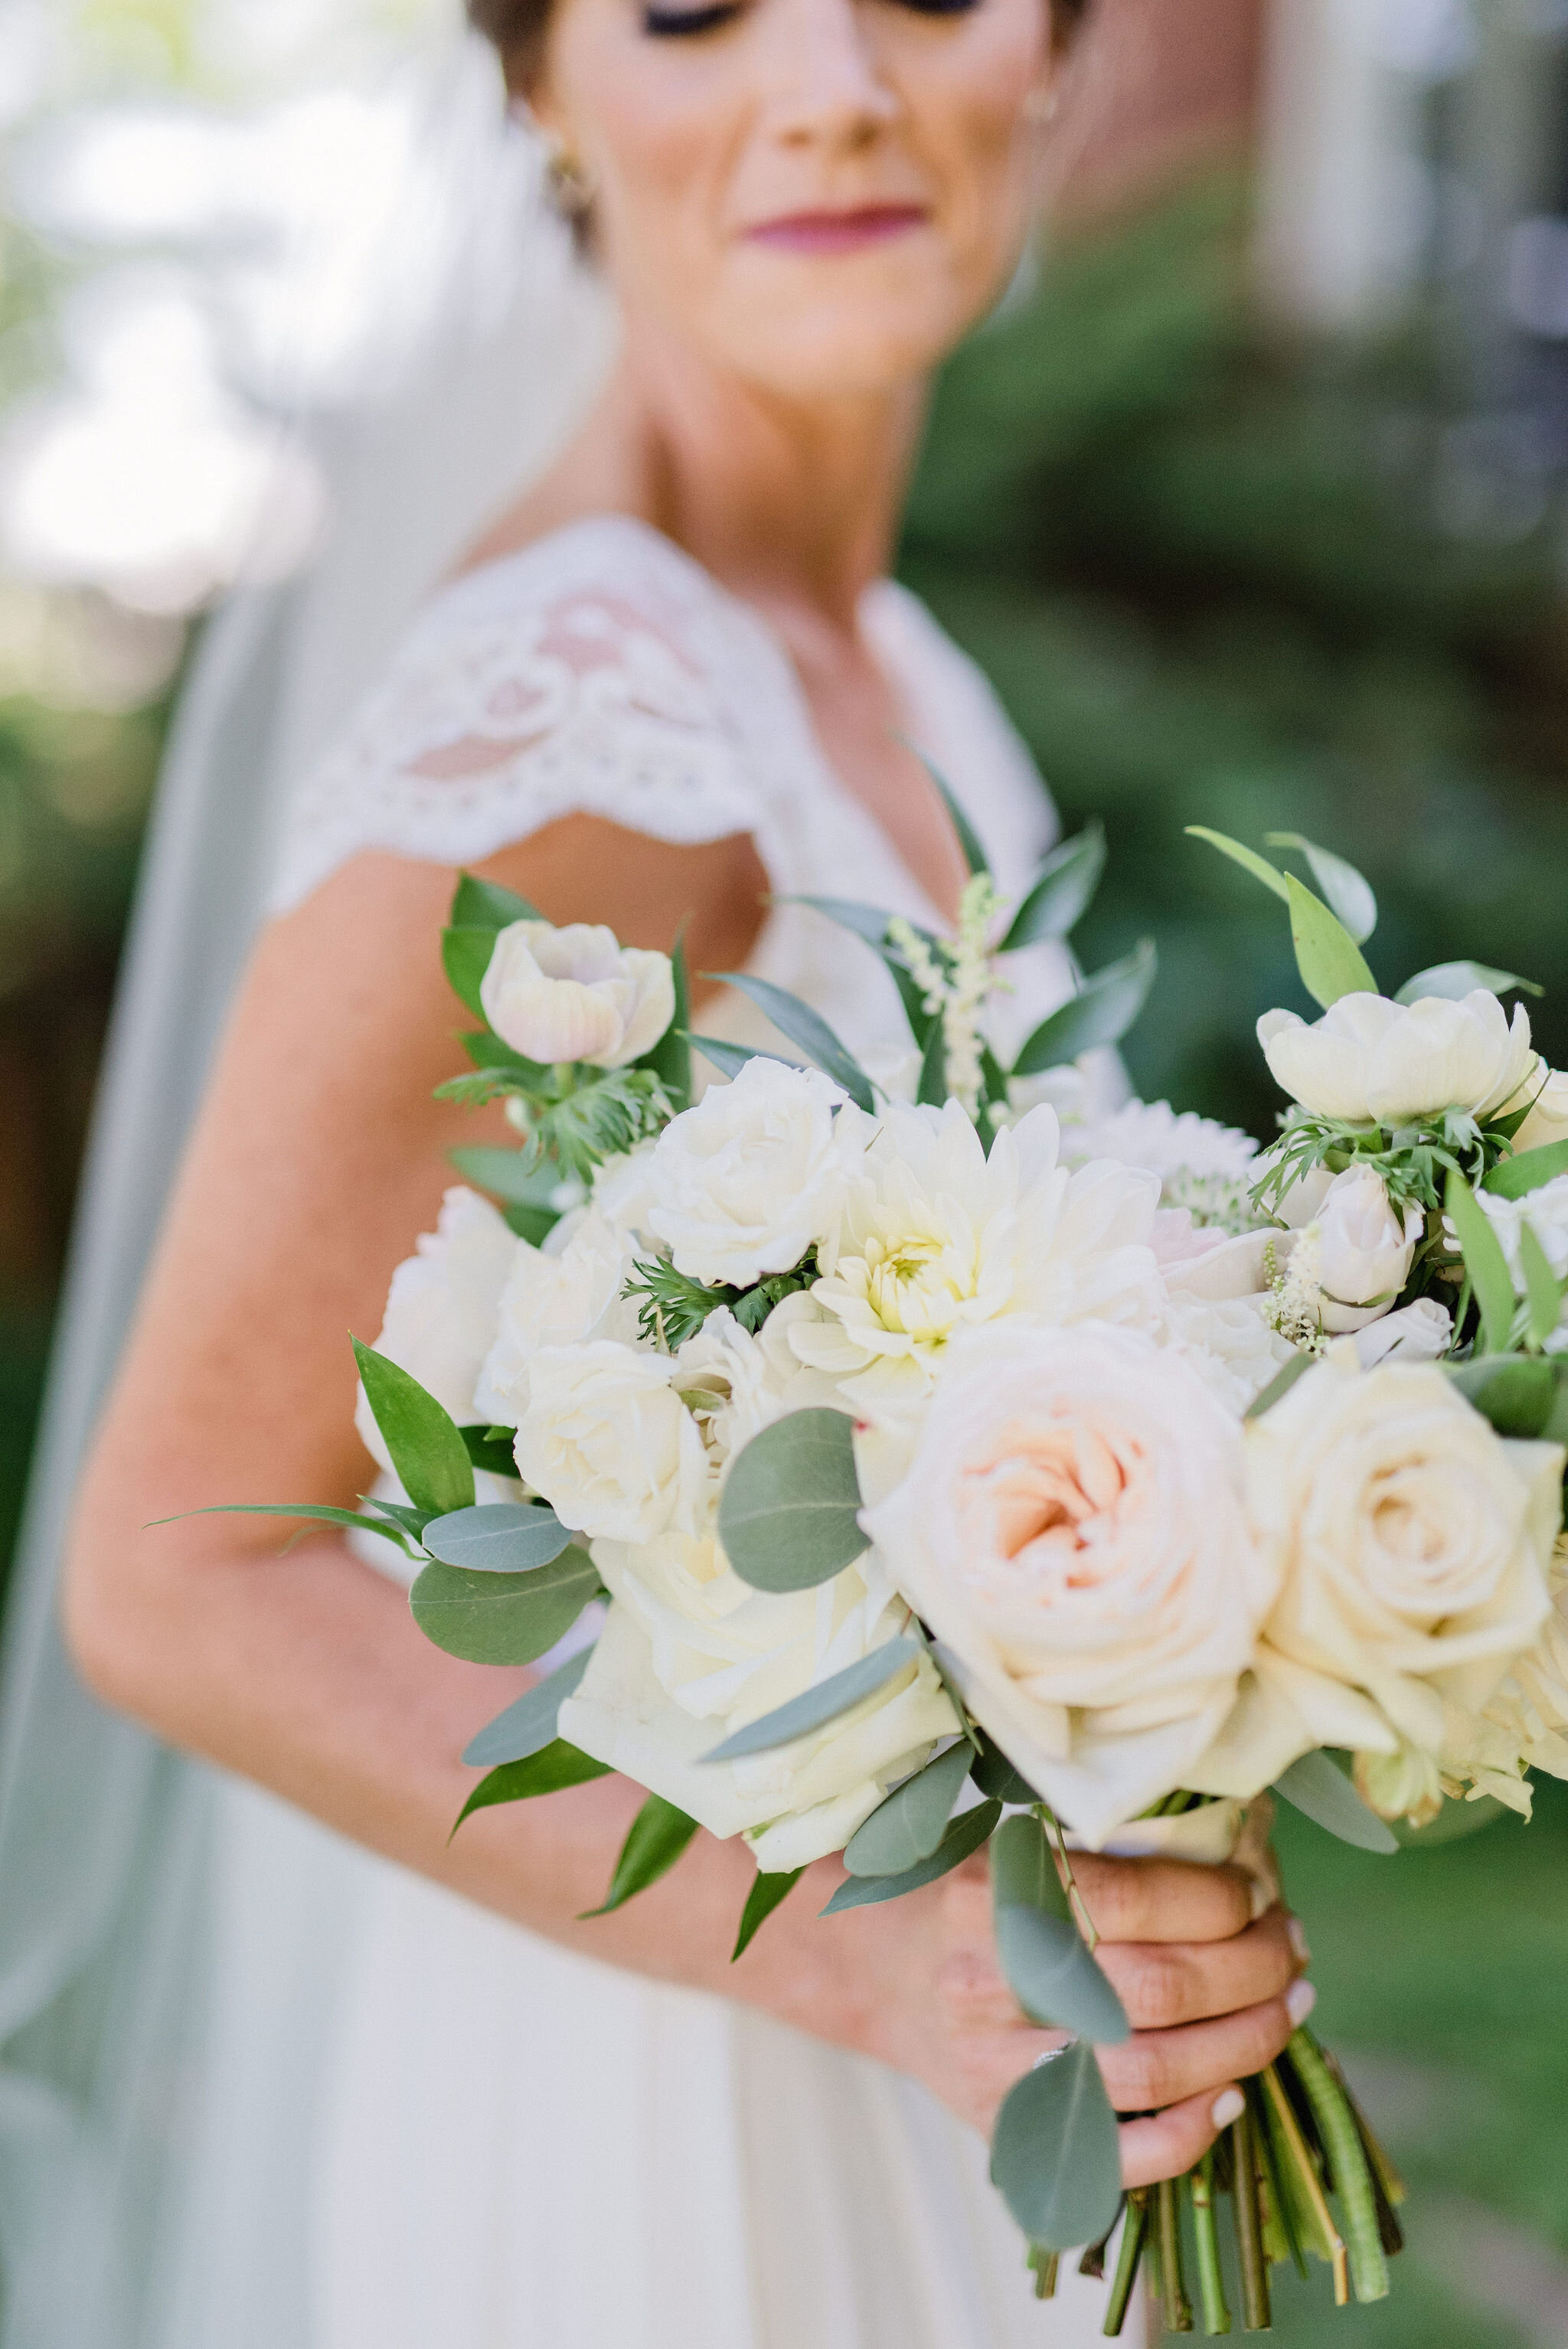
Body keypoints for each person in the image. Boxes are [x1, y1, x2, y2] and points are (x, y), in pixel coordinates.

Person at [45, 0, 1308, 2340]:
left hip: (954, 2029)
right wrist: (876, 1969)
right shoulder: (582, 723)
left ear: (1048, 41)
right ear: (537, 82)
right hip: (665, 2087)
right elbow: (170, 1571)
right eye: (694, 7)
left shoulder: (894, 673)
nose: (829, 81)